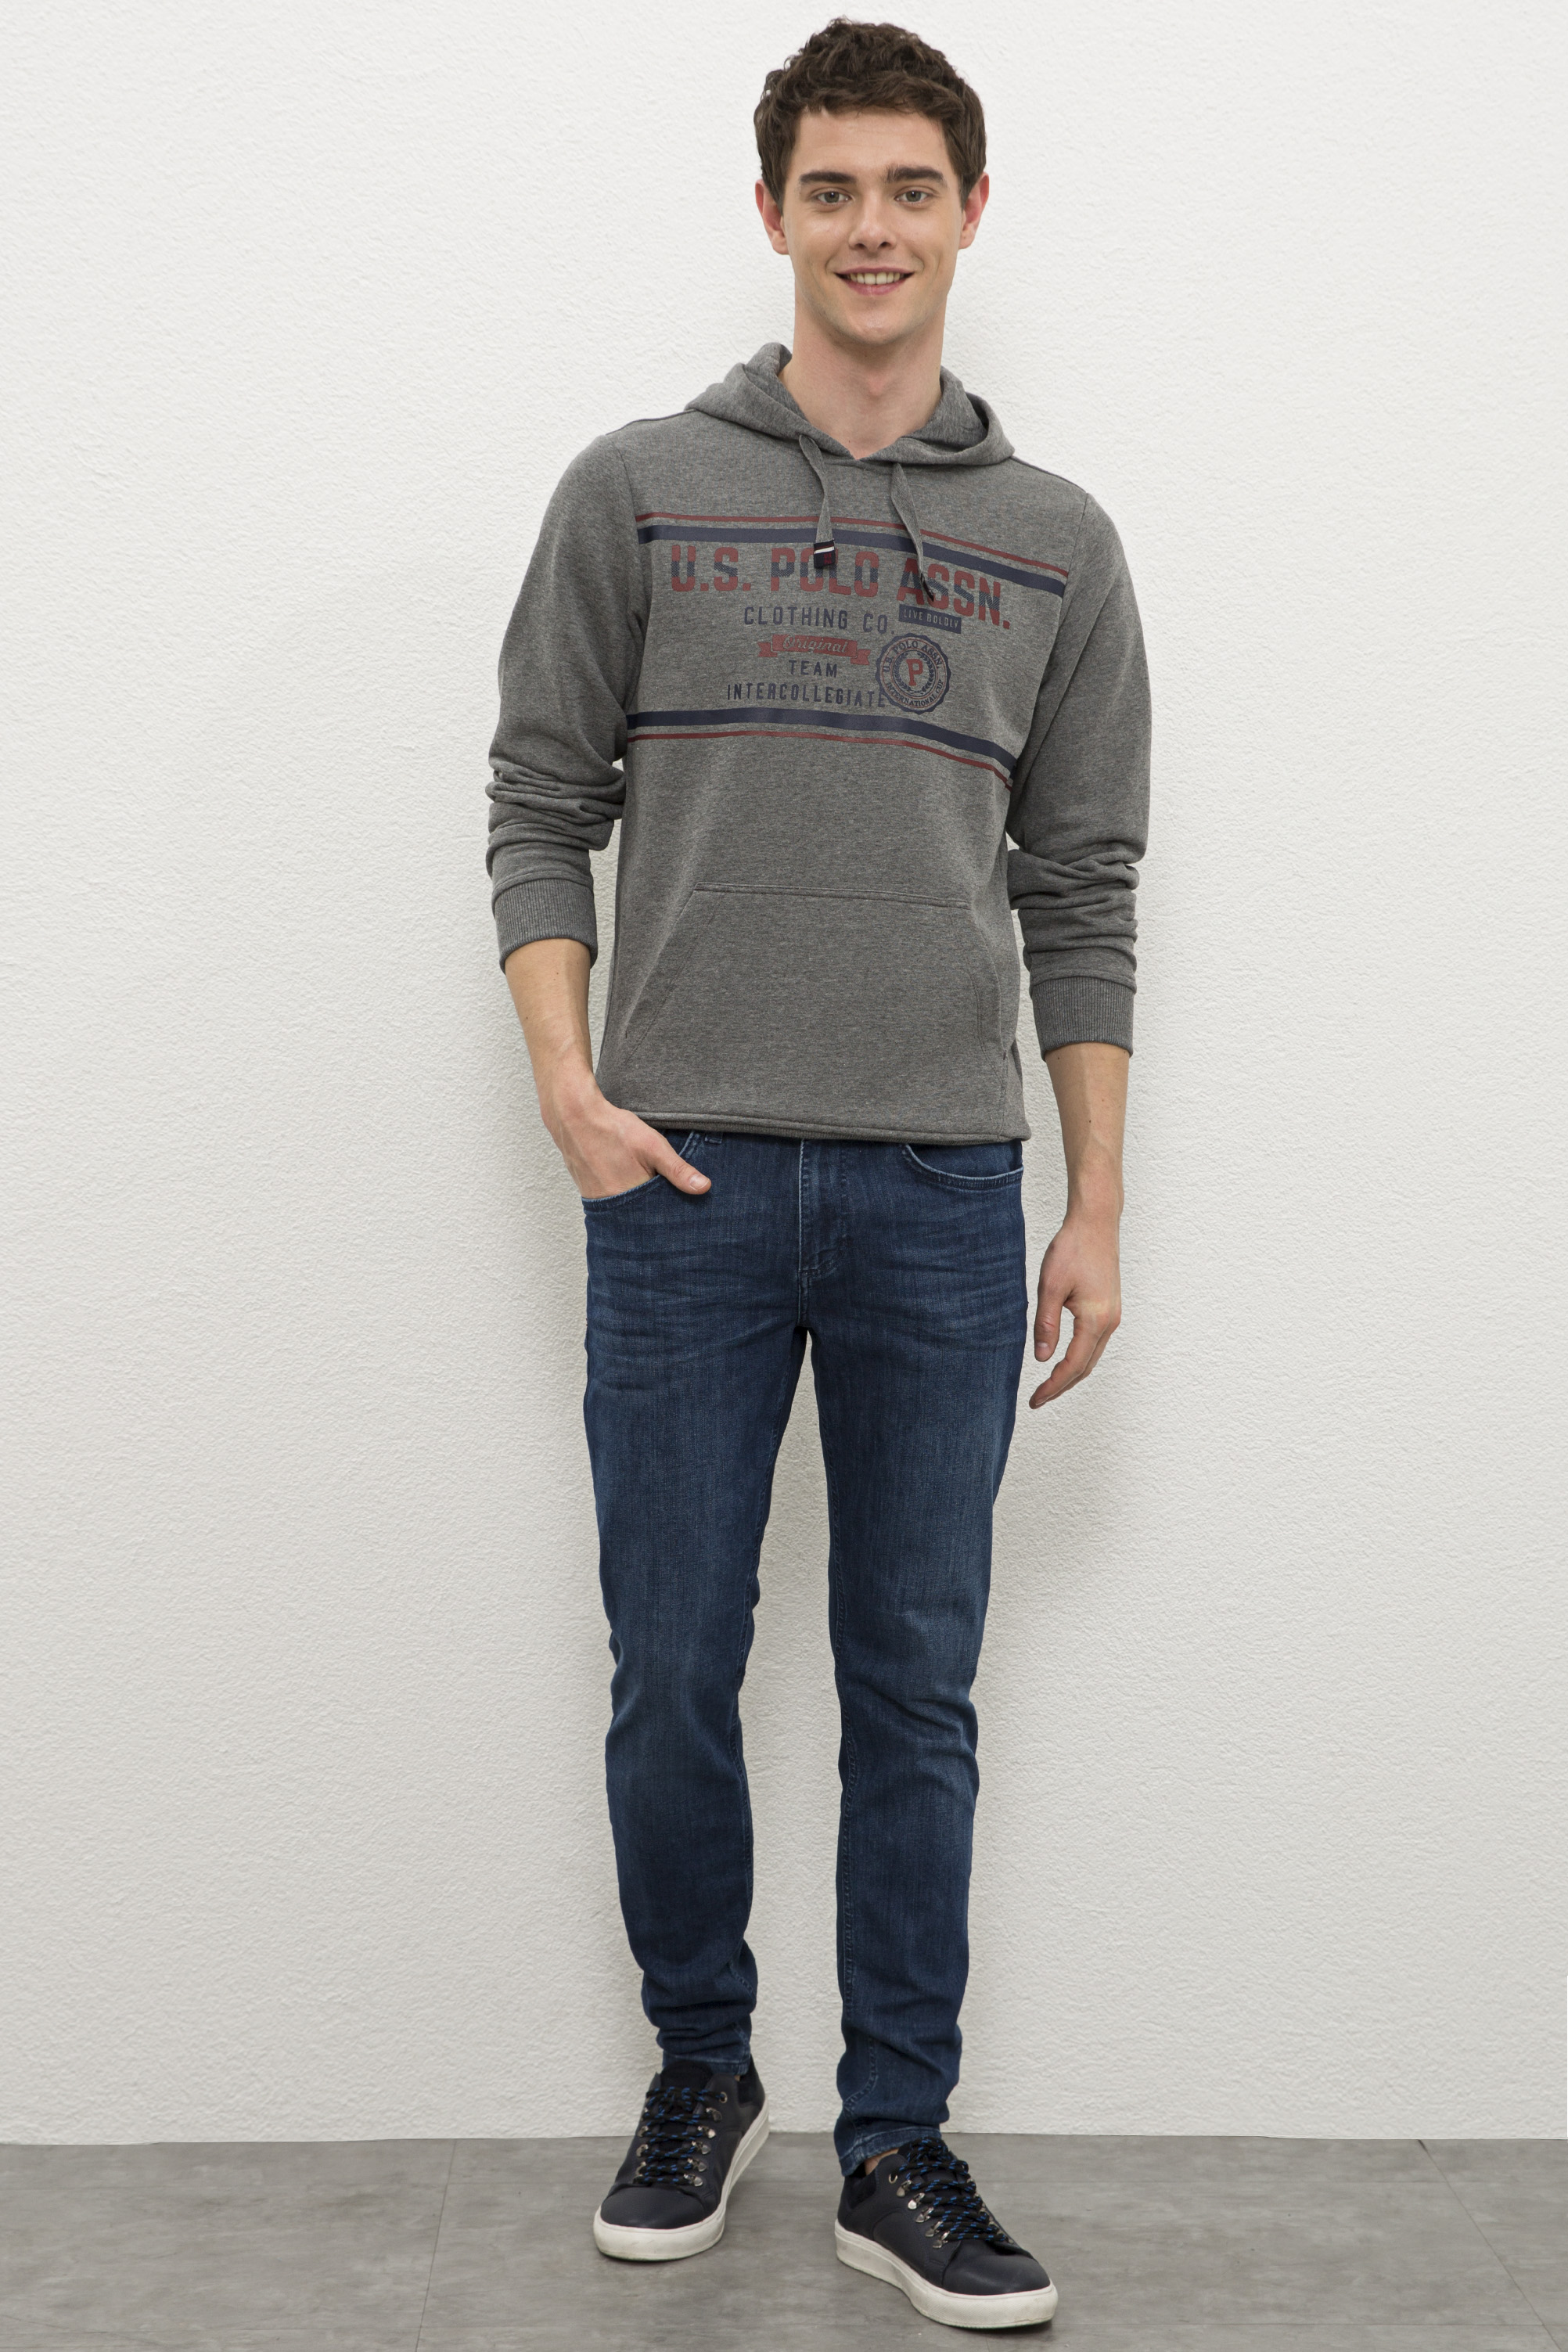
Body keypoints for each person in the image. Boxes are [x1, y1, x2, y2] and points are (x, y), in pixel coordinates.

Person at [485, 17, 1149, 2330]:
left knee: (914, 1683)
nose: (874, 228)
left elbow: (1082, 887)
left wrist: (1094, 1202)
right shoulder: (638, 489)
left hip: (942, 1198)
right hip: (678, 1186)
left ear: (970, 213)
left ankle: (895, 2143)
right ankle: (703, 2067)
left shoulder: (1058, 545)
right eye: (833, 189)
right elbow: (535, 803)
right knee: (671, 1661)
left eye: (911, 188)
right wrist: (569, 1090)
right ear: (772, 212)